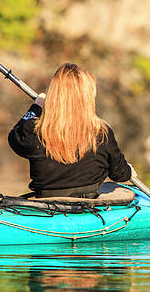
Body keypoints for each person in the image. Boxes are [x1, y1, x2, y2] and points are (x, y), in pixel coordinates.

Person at [8, 63, 134, 198]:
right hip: (89, 203)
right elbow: (119, 174)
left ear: (54, 96)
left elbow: (14, 135)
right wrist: (129, 171)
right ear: (87, 98)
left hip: (46, 204)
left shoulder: (32, 132)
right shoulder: (102, 133)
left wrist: (36, 107)